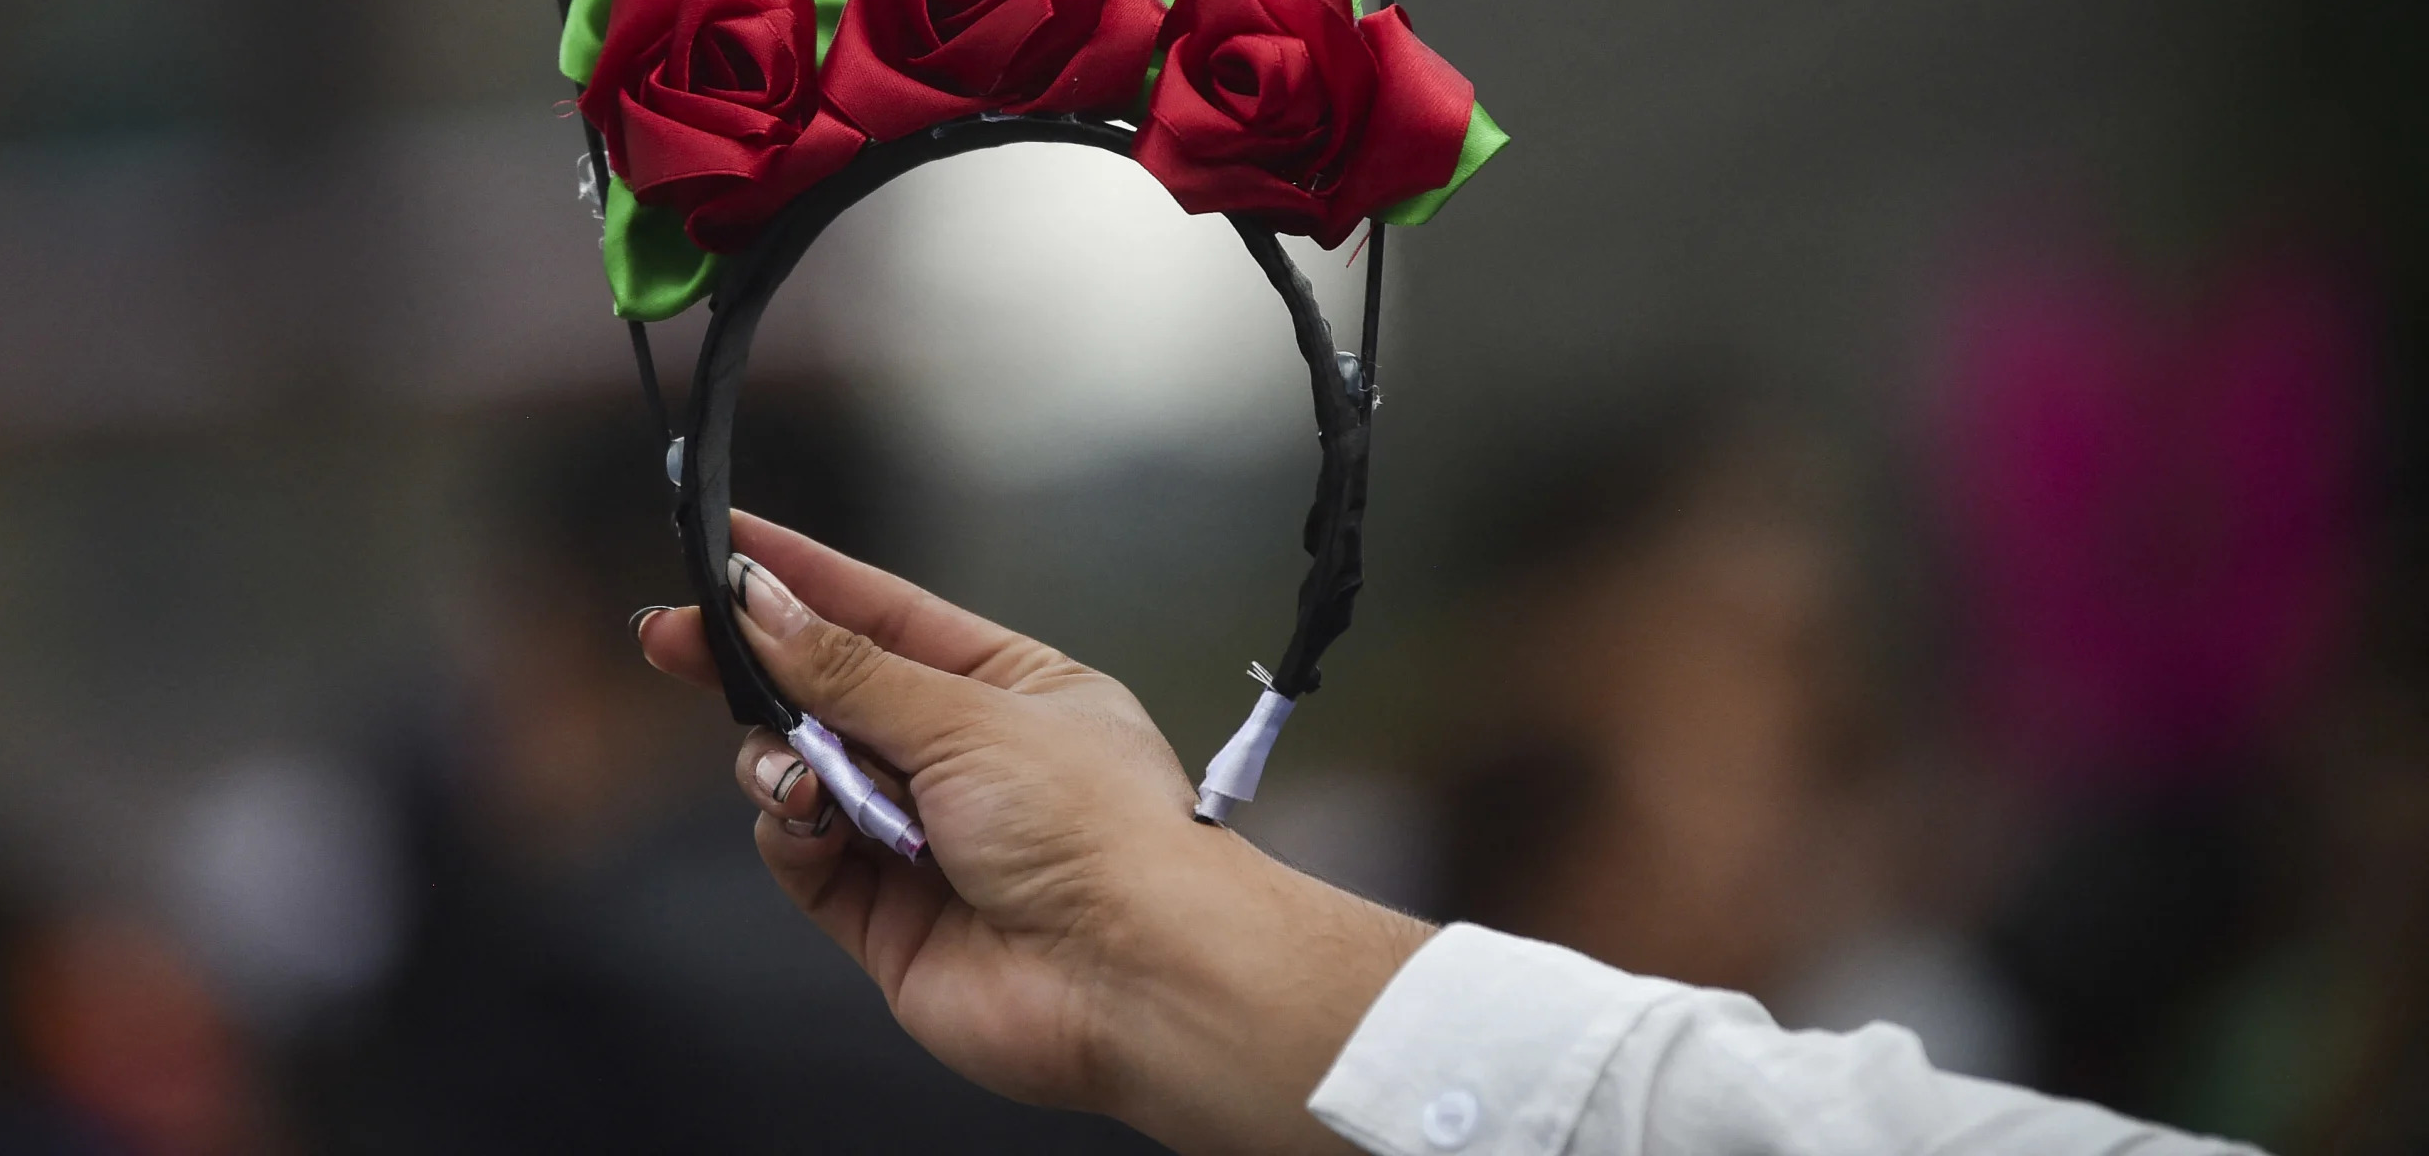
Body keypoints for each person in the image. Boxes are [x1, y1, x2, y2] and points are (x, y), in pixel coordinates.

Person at [634, 512, 2263, 1156]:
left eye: (1812, 719)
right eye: (1734, 718)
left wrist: (1154, 940)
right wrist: (1153, 946)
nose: (1809, 797)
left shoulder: (1960, 1014)